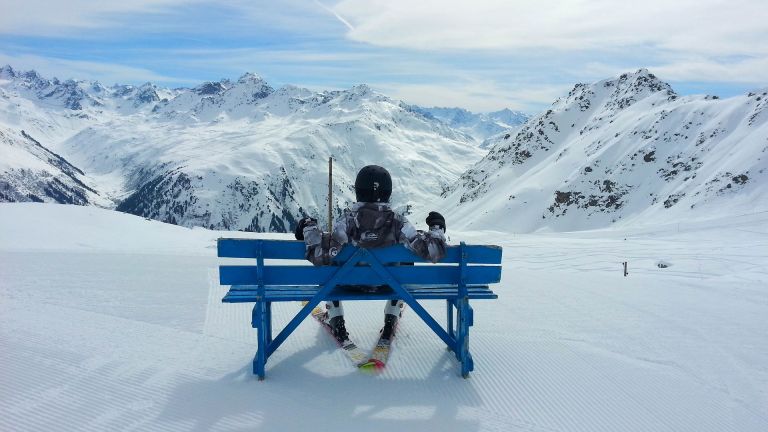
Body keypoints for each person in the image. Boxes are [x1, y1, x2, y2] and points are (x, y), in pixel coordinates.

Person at [294, 165, 447, 344]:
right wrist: (437, 227)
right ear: (388, 192)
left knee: (331, 262)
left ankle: (336, 318)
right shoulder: (399, 224)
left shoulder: (347, 222)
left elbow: (319, 255)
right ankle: (391, 315)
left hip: (346, 284)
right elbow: (434, 252)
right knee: (406, 259)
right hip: (389, 285)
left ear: (358, 191)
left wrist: (308, 226)